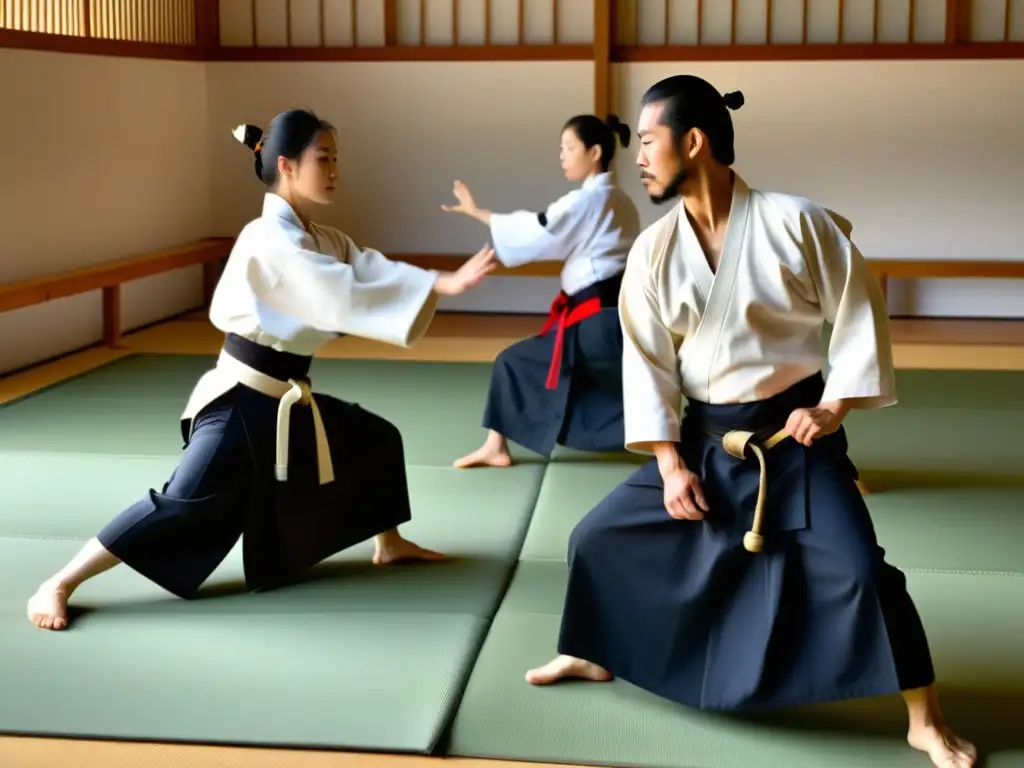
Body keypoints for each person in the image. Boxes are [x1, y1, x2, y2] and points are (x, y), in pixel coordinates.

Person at [524, 77, 976, 768]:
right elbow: (646, 366)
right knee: (596, 537)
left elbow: (858, 314)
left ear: (693, 141)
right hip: (705, 442)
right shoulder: (654, 250)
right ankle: (590, 651)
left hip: (795, 442)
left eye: (647, 141)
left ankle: (924, 719)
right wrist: (670, 465)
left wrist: (833, 407)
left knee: (864, 573)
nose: (638, 156)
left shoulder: (797, 223)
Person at [27, 108, 498, 632]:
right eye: (324, 158)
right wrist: (438, 286)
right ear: (287, 165)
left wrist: (435, 281)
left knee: (373, 439)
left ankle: (388, 544)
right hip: (242, 400)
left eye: (337, 158)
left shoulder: (320, 235)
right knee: (179, 505)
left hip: (287, 397)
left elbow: (365, 268)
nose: (335, 168)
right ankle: (60, 582)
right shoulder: (269, 240)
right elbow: (333, 289)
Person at [442, 114, 642, 469]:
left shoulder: (586, 201)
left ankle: (496, 446)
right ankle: (651, 435)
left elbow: (538, 231)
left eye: (568, 147)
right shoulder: (621, 200)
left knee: (512, 362)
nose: (561, 155)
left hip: (594, 325)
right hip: (615, 319)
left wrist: (479, 214)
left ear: (594, 152)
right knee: (584, 383)